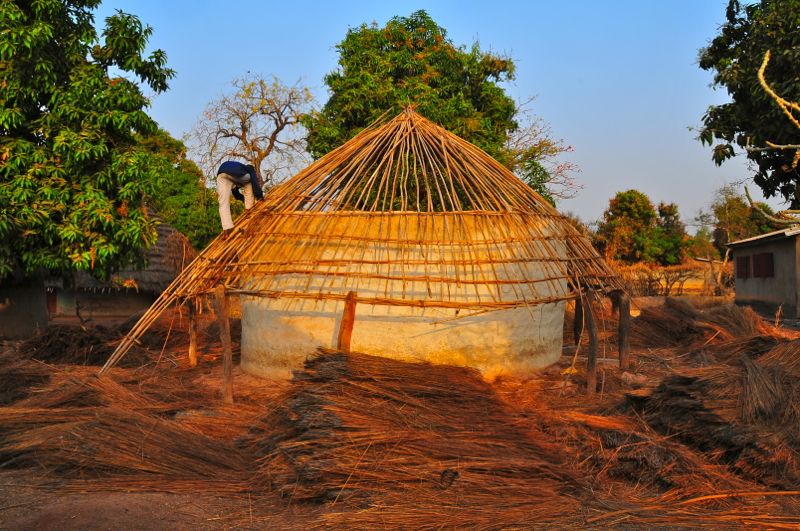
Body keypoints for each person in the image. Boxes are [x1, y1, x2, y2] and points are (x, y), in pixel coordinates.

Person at [216, 161, 264, 234]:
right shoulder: (250, 169)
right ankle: (249, 209)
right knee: (249, 182)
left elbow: (236, 195)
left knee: (223, 203)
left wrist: (243, 199)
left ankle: (227, 228)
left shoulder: (238, 168)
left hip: (221, 174)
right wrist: (260, 196)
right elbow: (255, 184)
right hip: (234, 173)